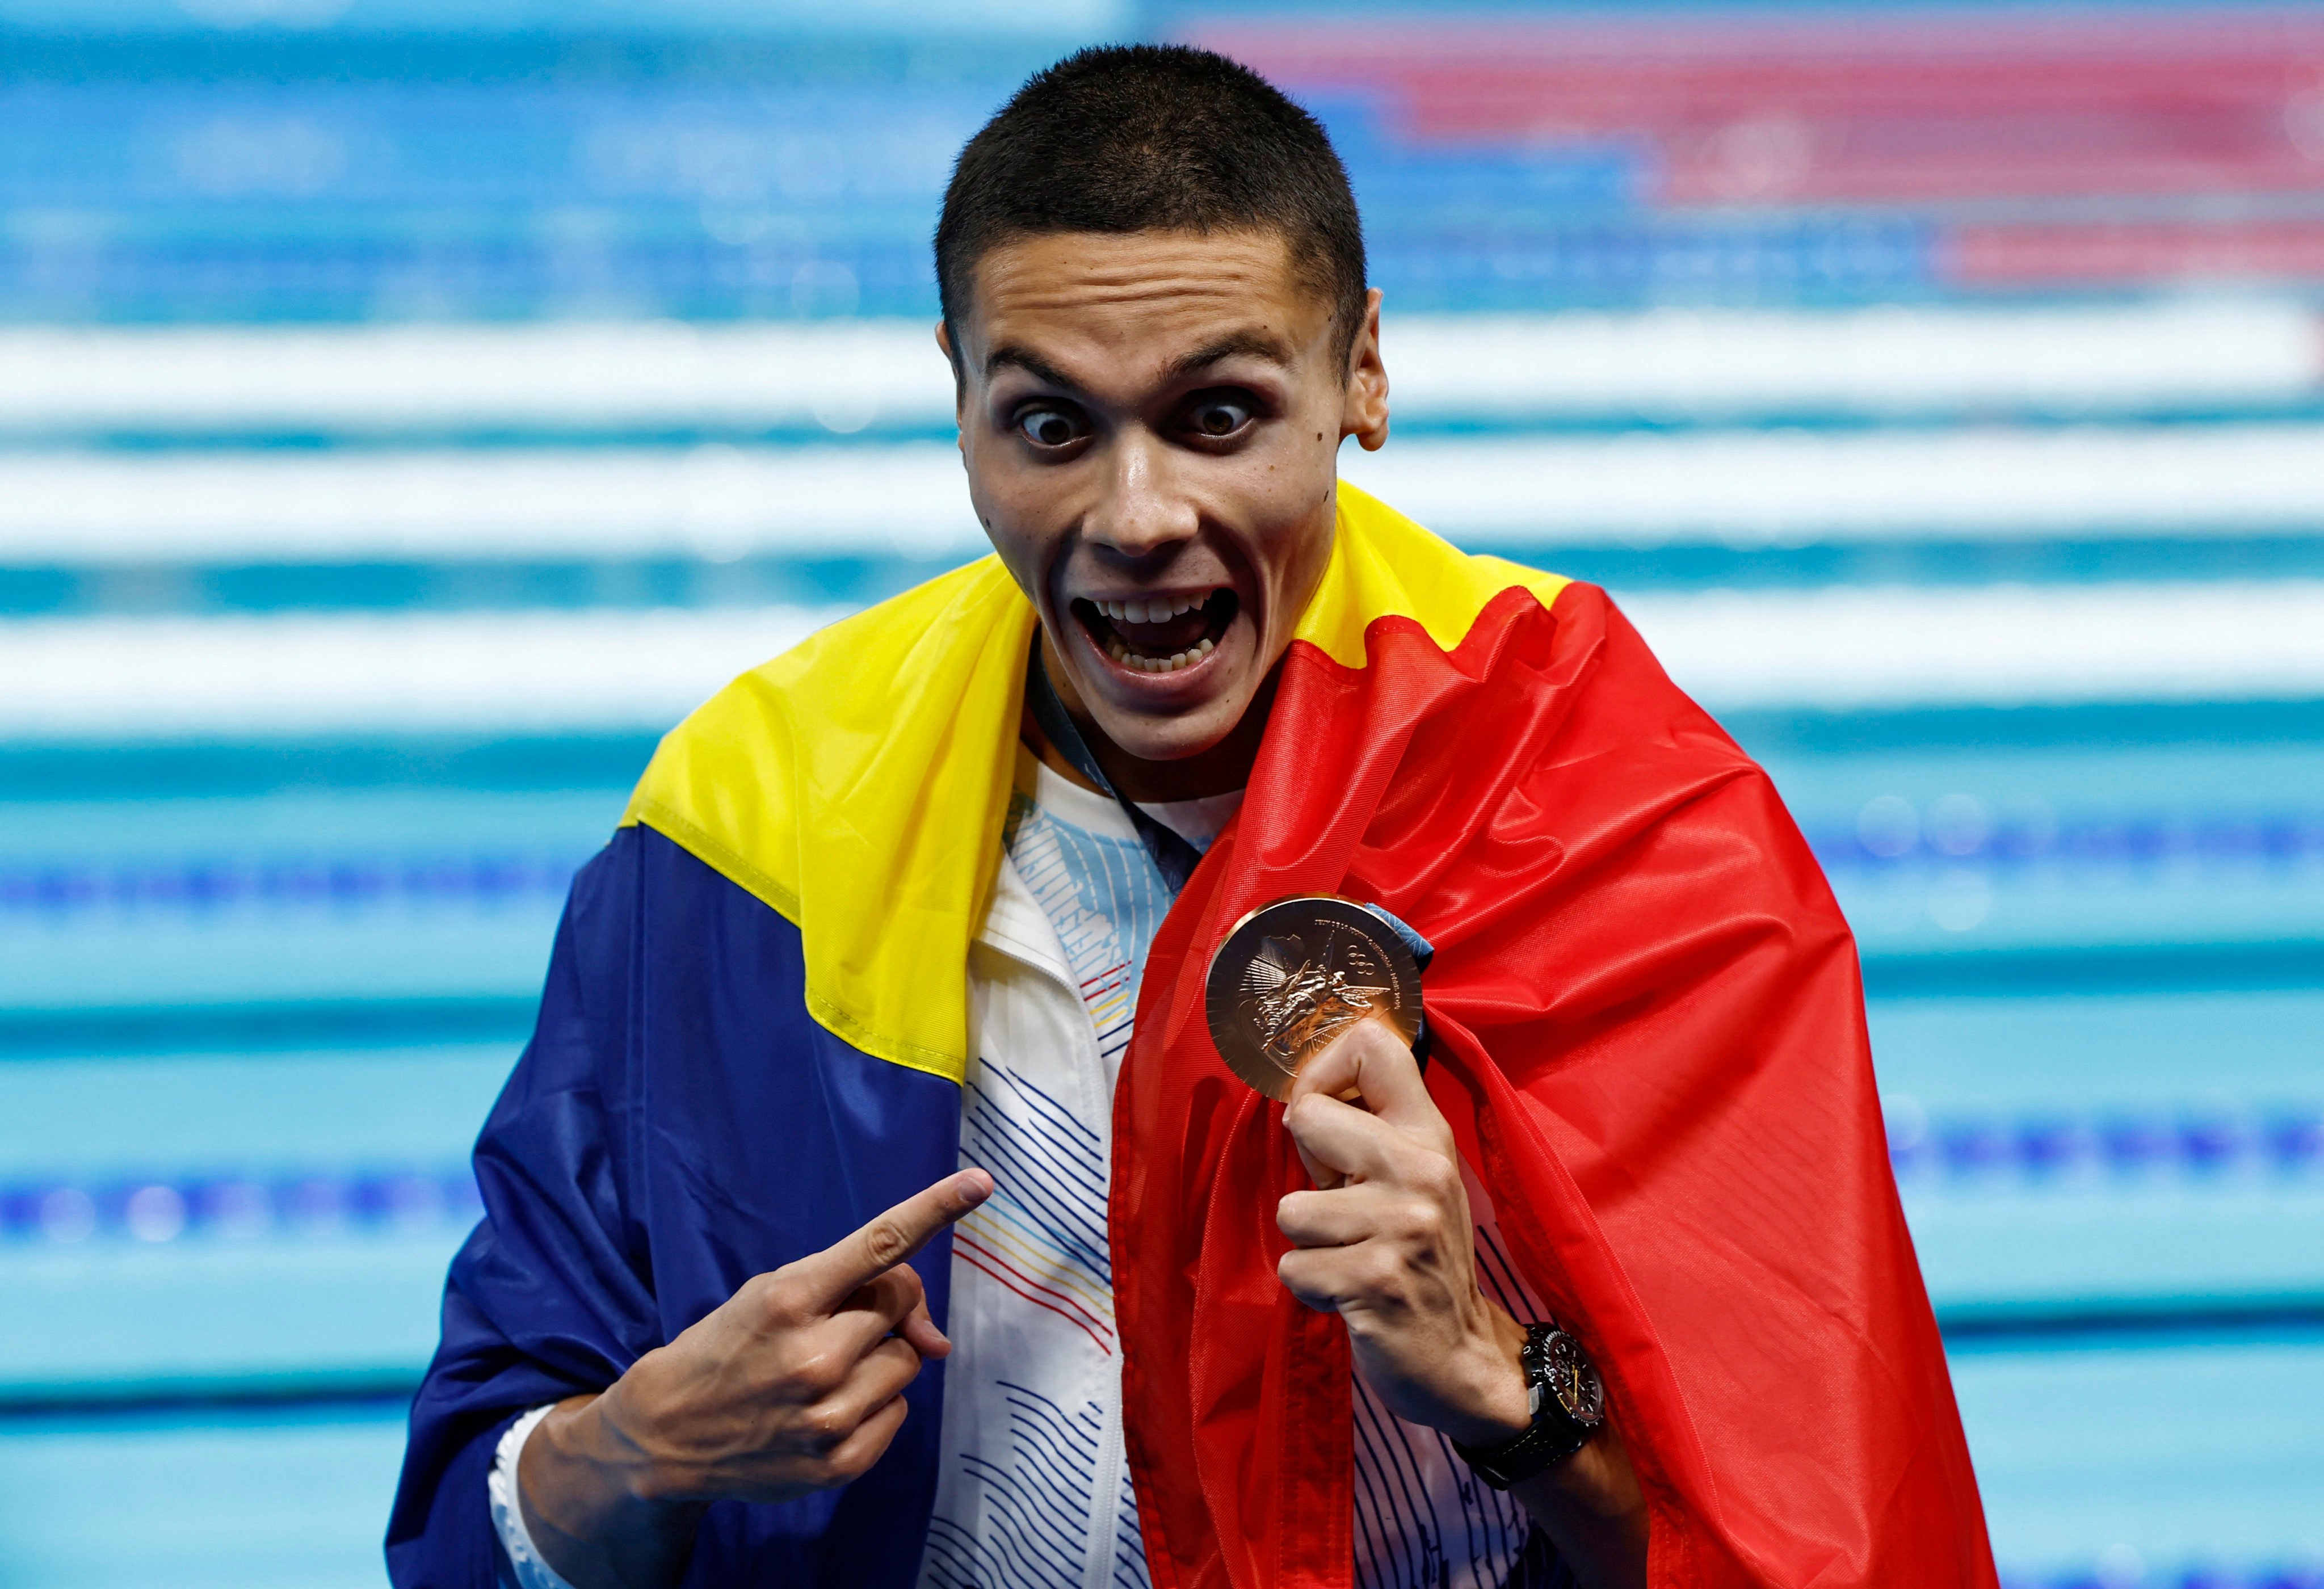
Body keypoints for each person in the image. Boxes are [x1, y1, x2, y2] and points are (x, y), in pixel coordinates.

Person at [387, 44, 1995, 1589]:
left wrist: (1505, 1387)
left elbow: (1825, 1543)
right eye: (1051, 426)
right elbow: (474, 1515)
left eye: (1216, 416)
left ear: (1361, 372)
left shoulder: (1604, 808)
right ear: (958, 400)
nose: (1138, 517)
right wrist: (639, 1454)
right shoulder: (747, 825)